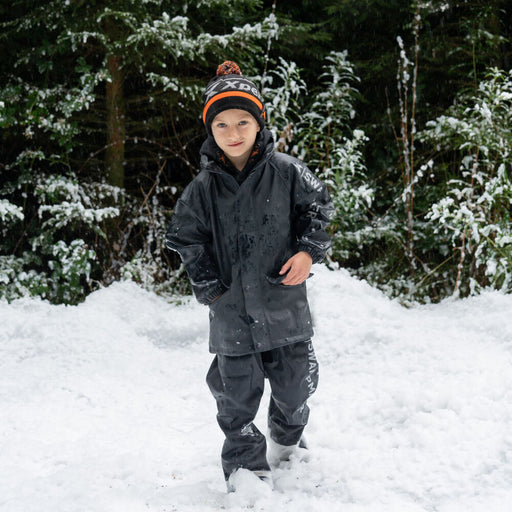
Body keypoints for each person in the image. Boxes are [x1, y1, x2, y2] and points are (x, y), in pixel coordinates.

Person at [165, 61, 333, 492]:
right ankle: (246, 471)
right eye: (222, 124)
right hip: (232, 311)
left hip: (283, 305)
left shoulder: (288, 171)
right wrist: (208, 286)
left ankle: (286, 438)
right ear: (210, 130)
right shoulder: (201, 189)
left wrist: (308, 253)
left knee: (296, 388)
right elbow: (186, 237)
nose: (233, 132)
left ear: (259, 123)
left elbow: (318, 210)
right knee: (235, 398)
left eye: (243, 121)